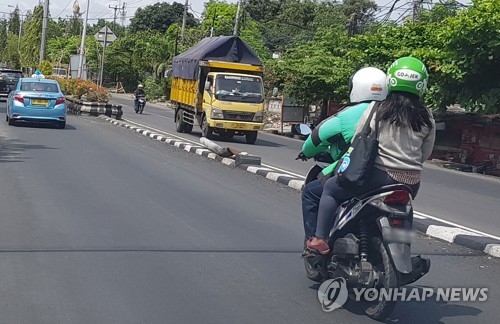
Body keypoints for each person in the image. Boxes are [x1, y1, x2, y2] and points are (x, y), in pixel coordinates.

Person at [307, 57, 436, 254]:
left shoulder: (378, 108)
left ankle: (320, 239)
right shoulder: (427, 116)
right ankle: (405, 251)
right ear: (422, 84)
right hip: (410, 182)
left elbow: (360, 135)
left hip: (376, 176)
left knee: (331, 189)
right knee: (405, 208)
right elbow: (425, 153)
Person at [299, 67, 388, 243]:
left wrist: (305, 152)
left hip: (356, 173)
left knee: (311, 193)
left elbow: (316, 139)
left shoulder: (346, 116)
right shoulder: (394, 112)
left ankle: (316, 243)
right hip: (390, 175)